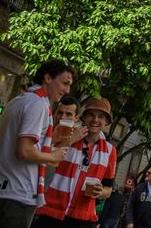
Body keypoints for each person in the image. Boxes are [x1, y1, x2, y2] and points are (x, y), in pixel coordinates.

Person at [0, 59, 74, 228]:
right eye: (65, 83)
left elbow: (17, 145)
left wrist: (51, 140)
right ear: (48, 78)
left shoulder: (20, 99)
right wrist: (53, 156)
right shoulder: (39, 103)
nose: (67, 90)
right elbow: (24, 151)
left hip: (0, 191)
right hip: (16, 196)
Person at [34, 97, 118, 228]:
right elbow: (47, 159)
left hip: (84, 218)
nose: (95, 120)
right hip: (52, 212)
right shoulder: (67, 135)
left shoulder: (110, 151)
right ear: (84, 118)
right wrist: (71, 140)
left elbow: (108, 188)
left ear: (106, 121)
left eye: (101, 116)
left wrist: (100, 192)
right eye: (91, 115)